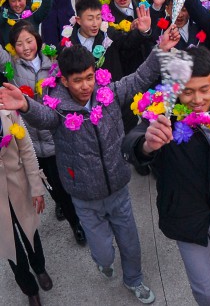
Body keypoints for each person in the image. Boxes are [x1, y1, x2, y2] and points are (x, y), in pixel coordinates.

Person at [0, 24, 177, 305]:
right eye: (78, 80)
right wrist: (25, 105)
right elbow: (43, 118)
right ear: (65, 81)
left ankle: (134, 280)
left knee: (131, 244)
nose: (86, 85)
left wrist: (160, 50)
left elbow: (139, 78)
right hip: (84, 196)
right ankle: (102, 261)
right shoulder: (57, 108)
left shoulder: (111, 93)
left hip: (118, 189)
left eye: (90, 77)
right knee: (104, 253)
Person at [124, 47, 210, 306]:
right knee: (206, 290)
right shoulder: (162, 111)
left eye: (203, 89)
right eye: (187, 91)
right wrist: (146, 145)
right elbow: (131, 142)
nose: (197, 99)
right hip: (185, 216)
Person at [0, 24, 84, 245]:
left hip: (55, 136)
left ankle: (79, 218)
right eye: (19, 43)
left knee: (67, 181)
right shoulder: (11, 66)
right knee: (52, 187)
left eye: (29, 41)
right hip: (31, 143)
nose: (26, 47)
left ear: (37, 40)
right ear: (12, 47)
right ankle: (69, 214)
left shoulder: (53, 63)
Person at [1, 98, 51, 306]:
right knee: (8, 246)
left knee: (30, 231)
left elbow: (27, 150)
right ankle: (29, 288)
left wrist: (36, 188)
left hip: (19, 186)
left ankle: (39, 267)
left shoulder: (8, 110)